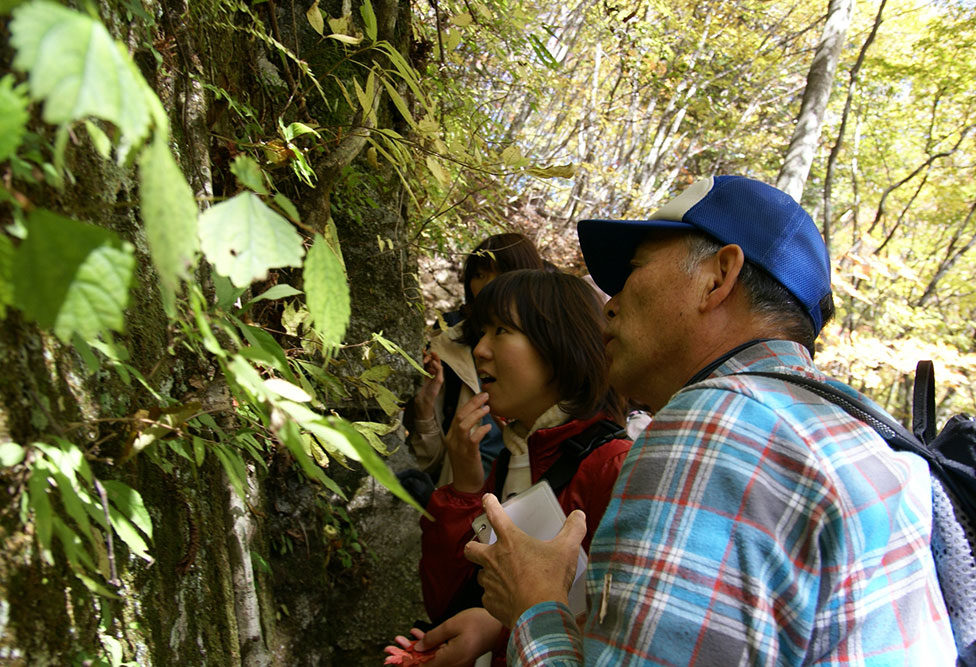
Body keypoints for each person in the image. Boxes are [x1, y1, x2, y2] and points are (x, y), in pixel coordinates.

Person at [458, 175, 957, 665]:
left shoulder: (715, 428)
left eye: (634, 269)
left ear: (718, 277)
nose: (610, 306)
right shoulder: (852, 430)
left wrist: (536, 604)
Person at [412, 270, 632, 666]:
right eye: (482, 332)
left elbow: (619, 638)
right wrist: (465, 486)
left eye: (501, 330)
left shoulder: (613, 468)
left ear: (560, 346)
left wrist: (498, 628)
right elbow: (443, 601)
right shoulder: (514, 453)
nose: (480, 349)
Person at [403, 233, 543, 505]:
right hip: (462, 500)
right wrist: (425, 404)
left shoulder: (555, 349)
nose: (489, 284)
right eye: (479, 274)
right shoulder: (447, 343)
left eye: (501, 272)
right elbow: (428, 458)